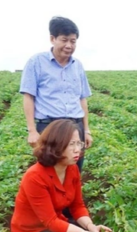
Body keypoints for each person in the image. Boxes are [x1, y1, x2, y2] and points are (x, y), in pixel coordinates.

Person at [11, 120, 111, 232]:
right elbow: (51, 222)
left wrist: (91, 227)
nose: (77, 149)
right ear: (56, 145)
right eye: (71, 144)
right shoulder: (35, 177)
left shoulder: (71, 170)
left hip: (52, 227)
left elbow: (77, 206)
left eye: (79, 143)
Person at [20, 16, 93, 170]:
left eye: (73, 41)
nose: (69, 45)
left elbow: (82, 100)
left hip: (75, 126)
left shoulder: (77, 66)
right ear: (52, 39)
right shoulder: (36, 62)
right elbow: (28, 97)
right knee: (49, 171)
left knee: (74, 169)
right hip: (49, 127)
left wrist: (86, 131)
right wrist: (32, 130)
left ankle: (72, 195)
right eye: (64, 40)